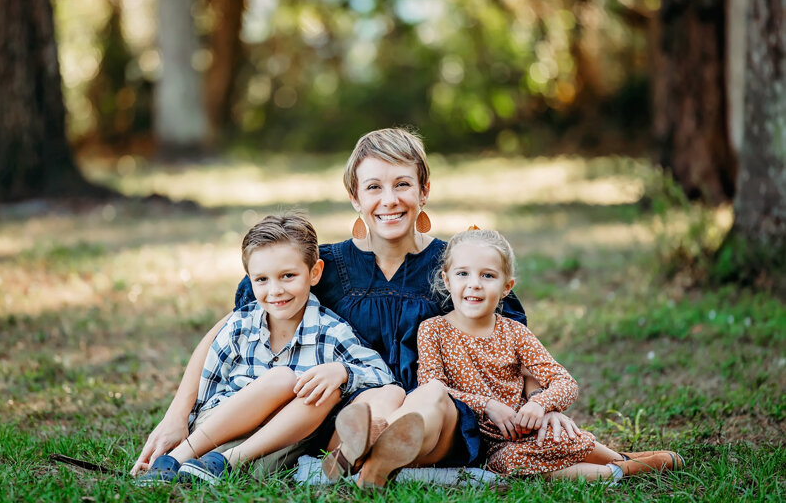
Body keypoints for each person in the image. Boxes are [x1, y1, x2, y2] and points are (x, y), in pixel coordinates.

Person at [132, 127, 580, 484]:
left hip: (436, 421)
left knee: (429, 399)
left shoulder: (458, 267)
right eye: (374, 187)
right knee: (360, 411)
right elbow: (224, 331)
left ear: (424, 190)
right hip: (336, 418)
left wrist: (545, 407)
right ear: (355, 196)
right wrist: (176, 418)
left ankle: (380, 456)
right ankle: (364, 455)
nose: (389, 200)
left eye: (403, 184)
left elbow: (515, 349)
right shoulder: (323, 267)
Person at [136, 213, 394, 484]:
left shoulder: (331, 332)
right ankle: (175, 460)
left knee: (327, 391)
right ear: (250, 279)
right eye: (262, 280)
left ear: (314, 272)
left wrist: (341, 371)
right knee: (282, 379)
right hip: (213, 435)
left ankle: (224, 465)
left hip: (269, 450)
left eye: (288, 276)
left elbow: (383, 376)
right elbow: (206, 389)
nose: (275, 290)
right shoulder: (240, 325)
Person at [417, 228, 684, 481]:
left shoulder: (514, 333)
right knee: (508, 463)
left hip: (530, 432)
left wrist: (539, 405)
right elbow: (431, 388)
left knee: (559, 436)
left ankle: (619, 459)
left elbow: (565, 383)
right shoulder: (433, 331)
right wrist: (486, 405)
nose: (474, 284)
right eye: (463, 274)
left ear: (506, 287)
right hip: (486, 447)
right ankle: (624, 468)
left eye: (488, 276)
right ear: (446, 279)